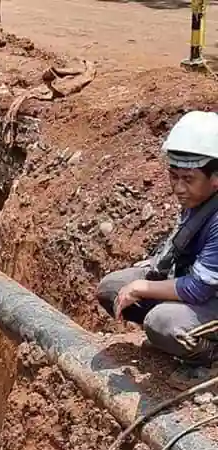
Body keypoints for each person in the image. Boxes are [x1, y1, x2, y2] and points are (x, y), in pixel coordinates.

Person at [96, 110, 218, 377]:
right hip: (200, 282)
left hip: (208, 293)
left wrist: (142, 286)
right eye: (174, 176)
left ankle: (210, 354)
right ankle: (175, 338)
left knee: (161, 323)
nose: (178, 187)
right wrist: (153, 270)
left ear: (215, 178)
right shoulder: (200, 199)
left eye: (188, 179)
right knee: (111, 288)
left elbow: (198, 289)